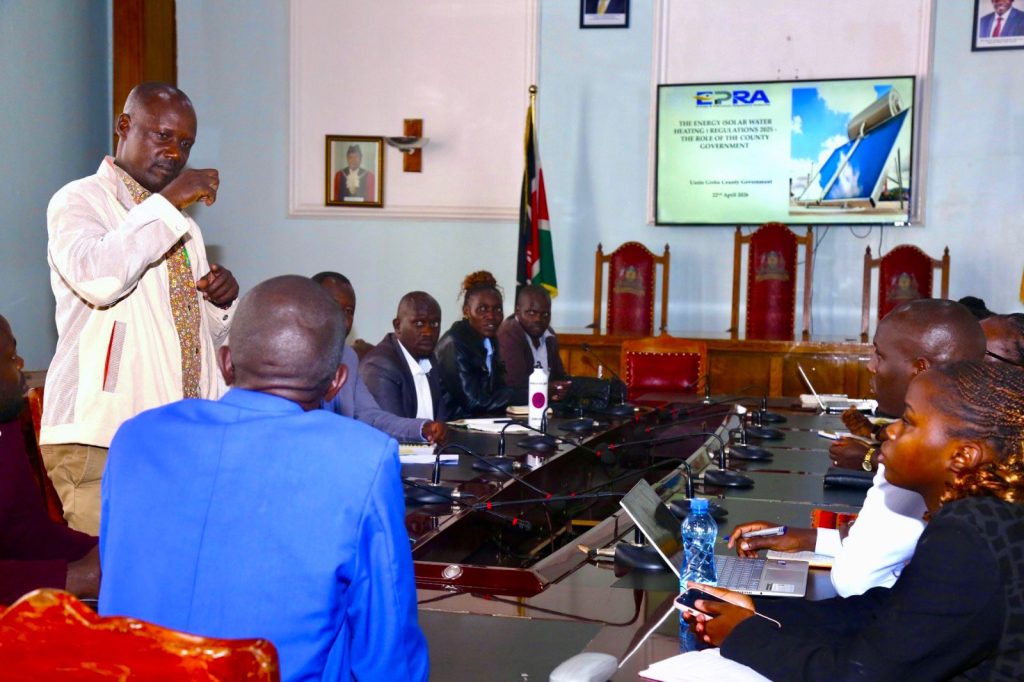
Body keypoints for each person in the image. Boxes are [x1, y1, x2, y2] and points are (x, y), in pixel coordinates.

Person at [99, 276, 429, 682]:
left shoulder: (135, 438)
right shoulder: (362, 457)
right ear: (337, 382)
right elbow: (388, 655)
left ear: (226, 363)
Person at [686, 361, 1024, 680]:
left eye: (908, 422)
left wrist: (744, 635)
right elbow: (882, 611)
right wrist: (757, 609)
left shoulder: (967, 537)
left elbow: (859, 674)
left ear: (962, 456)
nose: (890, 431)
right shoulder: (981, 516)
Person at [41, 82, 238, 534]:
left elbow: (195, 339)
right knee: (105, 572)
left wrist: (220, 303)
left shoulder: (182, 227)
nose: (175, 153)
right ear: (124, 126)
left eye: (185, 143)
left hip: (179, 439)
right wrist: (169, 204)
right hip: (103, 437)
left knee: (170, 574)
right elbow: (100, 279)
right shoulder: (80, 199)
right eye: (163, 135)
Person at [730, 298, 986, 596]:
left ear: (920, 370)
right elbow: (886, 546)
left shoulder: (921, 455)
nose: (870, 365)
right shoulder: (965, 436)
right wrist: (805, 539)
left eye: (880, 355)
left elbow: (856, 580)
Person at [0, 315, 99, 605]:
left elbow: (26, 532)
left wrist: (103, 551)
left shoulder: (5, 425)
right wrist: (74, 577)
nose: (20, 363)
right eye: (10, 357)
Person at [314, 272, 446, 442]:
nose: (343, 320)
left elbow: (371, 417)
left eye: (349, 311)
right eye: (334, 307)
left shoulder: (348, 358)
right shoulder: (289, 356)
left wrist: (423, 428)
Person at [360, 292, 449, 438]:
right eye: (419, 324)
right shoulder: (380, 366)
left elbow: (441, 421)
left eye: (434, 324)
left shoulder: (430, 358)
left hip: (430, 450)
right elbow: (391, 432)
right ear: (398, 326)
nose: (428, 332)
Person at [435, 271, 522, 419]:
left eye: (497, 309)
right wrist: (529, 394)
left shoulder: (490, 339)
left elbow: (497, 389)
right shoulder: (454, 343)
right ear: (466, 311)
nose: (491, 316)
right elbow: (473, 401)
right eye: (482, 309)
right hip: (451, 424)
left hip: (480, 421)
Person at [497, 284, 569, 394]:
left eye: (545, 314)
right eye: (531, 313)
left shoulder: (549, 335)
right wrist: (549, 389)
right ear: (517, 311)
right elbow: (515, 384)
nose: (538, 319)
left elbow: (559, 377)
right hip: (516, 403)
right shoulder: (509, 333)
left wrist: (563, 387)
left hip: (544, 402)